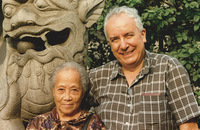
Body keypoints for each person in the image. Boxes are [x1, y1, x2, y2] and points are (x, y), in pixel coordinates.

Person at [89, 6, 200, 130]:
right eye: (115, 39)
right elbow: (69, 112)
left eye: (128, 35)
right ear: (110, 44)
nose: (123, 45)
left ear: (143, 35)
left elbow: (189, 127)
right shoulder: (97, 78)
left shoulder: (168, 68)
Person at [26, 62, 105, 130]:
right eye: (61, 89)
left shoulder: (93, 123)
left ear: (83, 93)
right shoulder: (38, 123)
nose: (67, 97)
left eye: (74, 90)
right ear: (53, 91)